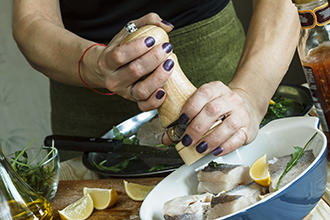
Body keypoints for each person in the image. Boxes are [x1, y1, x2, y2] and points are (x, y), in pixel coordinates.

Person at [12, 0, 300, 161]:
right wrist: (98, 65)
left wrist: (249, 95)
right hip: (90, 104)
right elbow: (31, 20)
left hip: (227, 80)